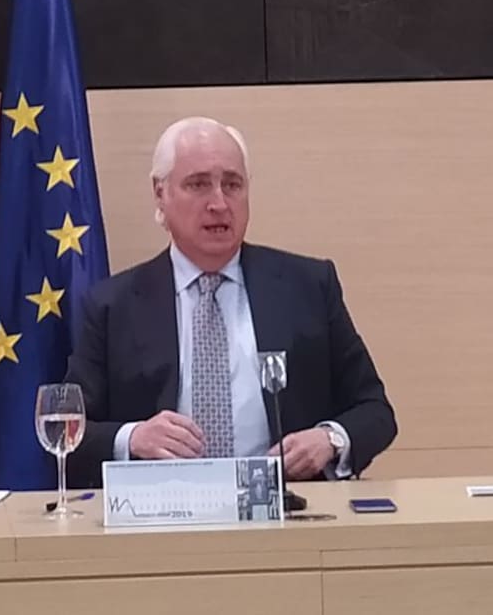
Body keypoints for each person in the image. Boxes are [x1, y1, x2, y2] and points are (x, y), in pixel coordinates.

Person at [64, 116, 396, 488]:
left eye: (232, 184)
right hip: (162, 511)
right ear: (160, 193)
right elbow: (69, 435)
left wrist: (329, 439)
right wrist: (133, 438)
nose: (219, 203)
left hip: (287, 510)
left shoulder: (308, 287)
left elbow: (375, 412)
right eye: (198, 184)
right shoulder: (113, 305)